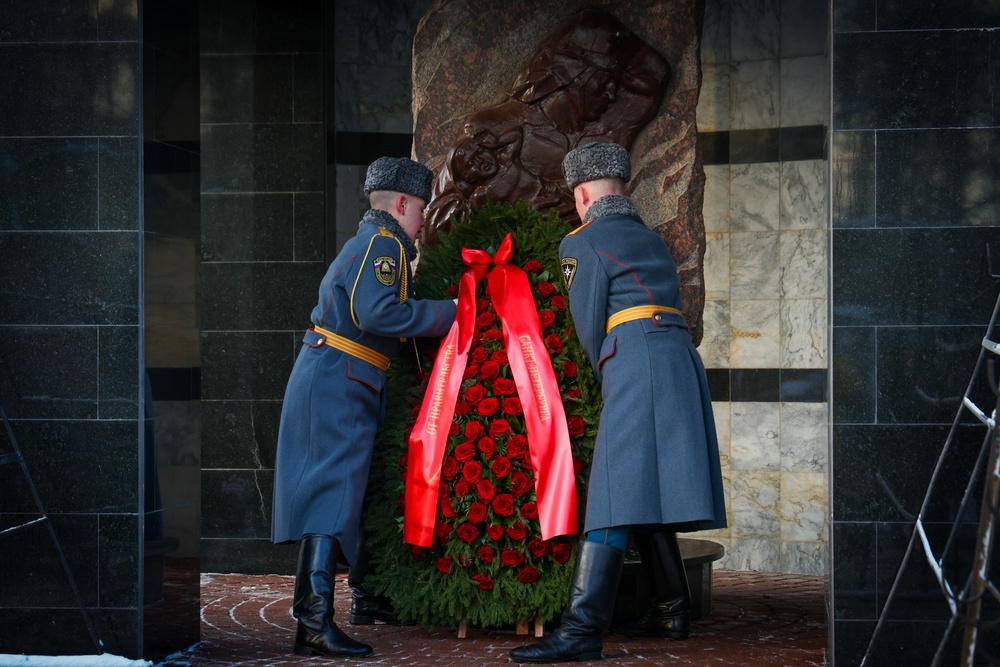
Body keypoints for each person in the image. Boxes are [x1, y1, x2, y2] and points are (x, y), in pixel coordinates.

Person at [509, 143, 727, 664]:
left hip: (633, 360)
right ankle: (671, 609)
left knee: (612, 488)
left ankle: (582, 629)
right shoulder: (651, 239)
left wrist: (608, 371)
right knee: (647, 486)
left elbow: (588, 326)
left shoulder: (581, 241)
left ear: (582, 195)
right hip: (679, 360)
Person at [271, 156, 458, 658]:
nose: (423, 220)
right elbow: (377, 313)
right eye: (421, 208)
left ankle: (343, 605)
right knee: (331, 493)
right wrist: (454, 312)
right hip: (342, 377)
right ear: (402, 204)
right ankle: (313, 622)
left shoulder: (374, 241)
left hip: (341, 373)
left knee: (341, 492)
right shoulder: (384, 245)